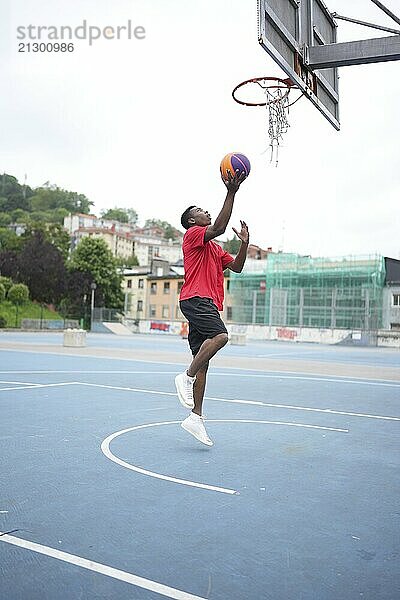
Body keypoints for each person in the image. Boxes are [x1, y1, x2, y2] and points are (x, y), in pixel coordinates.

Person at [175, 169, 249, 446]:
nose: (206, 212)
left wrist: (244, 244)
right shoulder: (193, 235)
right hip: (195, 299)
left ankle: (195, 418)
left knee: (204, 362)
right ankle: (185, 376)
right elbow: (217, 227)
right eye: (201, 211)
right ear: (193, 221)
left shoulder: (216, 249)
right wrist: (231, 191)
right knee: (221, 337)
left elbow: (238, 267)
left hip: (205, 303)